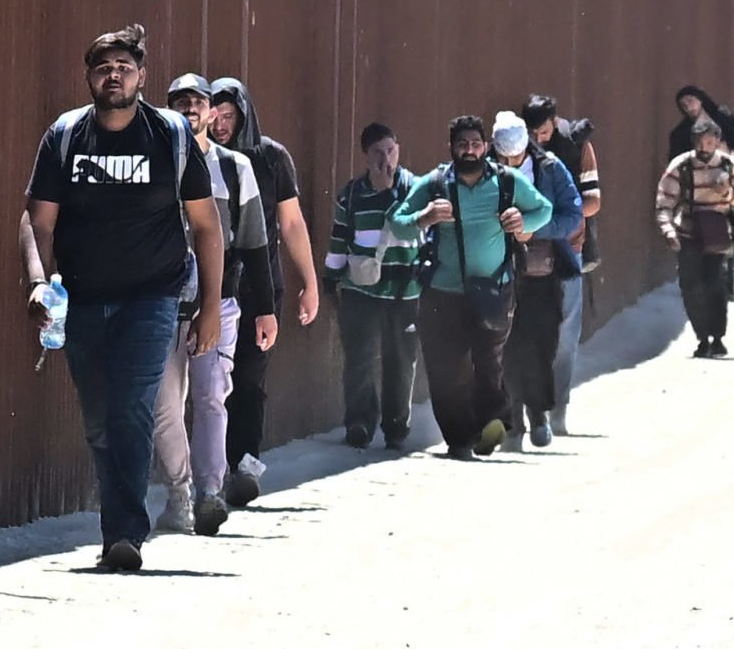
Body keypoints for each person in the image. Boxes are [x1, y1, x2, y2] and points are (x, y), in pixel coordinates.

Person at [25, 25, 223, 572]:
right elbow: (38, 220)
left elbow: (207, 227)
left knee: (132, 409)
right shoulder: (65, 136)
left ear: (141, 76)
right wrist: (40, 280)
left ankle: (123, 532)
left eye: (124, 66)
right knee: (98, 417)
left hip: (151, 298)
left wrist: (210, 308)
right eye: (102, 67)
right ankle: (120, 522)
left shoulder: (171, 135)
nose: (113, 75)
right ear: (90, 77)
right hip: (82, 299)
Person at [150, 74, 277, 536]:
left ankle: (209, 493)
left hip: (218, 303)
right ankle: (179, 492)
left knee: (210, 399)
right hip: (162, 304)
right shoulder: (155, 161)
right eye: (180, 101)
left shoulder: (234, 166)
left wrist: (265, 308)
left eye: (198, 102)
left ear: (211, 111)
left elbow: (254, 242)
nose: (190, 109)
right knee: (165, 407)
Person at [396, 116, 554, 461]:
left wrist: (522, 222)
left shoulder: (507, 182)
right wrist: (424, 217)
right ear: (451, 147)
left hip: (494, 291)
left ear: (487, 146)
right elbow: (398, 222)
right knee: (445, 369)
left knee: (489, 363)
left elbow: (545, 209)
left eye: (476, 144)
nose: (470, 150)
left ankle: (492, 423)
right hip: (442, 293)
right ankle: (459, 439)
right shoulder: (435, 183)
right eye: (462, 144)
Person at [205, 78, 319, 505]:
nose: (220, 125)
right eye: (214, 116)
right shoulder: (201, 158)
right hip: (212, 284)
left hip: (261, 286)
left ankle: (244, 463)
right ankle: (212, 472)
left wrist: (309, 283)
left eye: (229, 116)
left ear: (245, 115)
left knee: (250, 378)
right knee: (213, 381)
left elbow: (291, 223)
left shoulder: (271, 158)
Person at [489, 112, 585, 452]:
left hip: (541, 273)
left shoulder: (550, 168)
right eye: (503, 156)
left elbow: (572, 214)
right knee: (505, 349)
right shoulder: (485, 170)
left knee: (541, 346)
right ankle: (511, 424)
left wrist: (535, 229)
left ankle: (539, 413)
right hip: (499, 273)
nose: (509, 162)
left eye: (515, 156)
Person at [323, 122, 422, 451]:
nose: (386, 159)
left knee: (401, 360)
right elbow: (340, 237)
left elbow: (414, 232)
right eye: (378, 152)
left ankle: (396, 427)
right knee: (360, 358)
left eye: (391, 150)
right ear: (365, 156)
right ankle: (359, 423)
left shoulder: (414, 189)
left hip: (405, 289)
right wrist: (331, 277)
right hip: (361, 290)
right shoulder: (351, 194)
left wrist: (389, 193)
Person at [523, 96, 601, 436]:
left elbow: (593, 201)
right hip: (524, 253)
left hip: (568, 249)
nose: (537, 140)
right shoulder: (517, 149)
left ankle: (558, 408)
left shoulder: (576, 147)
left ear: (554, 122)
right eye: (532, 133)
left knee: (565, 333)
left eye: (542, 131)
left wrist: (556, 218)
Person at [656, 118, 734, 358]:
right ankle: (701, 337)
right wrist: (668, 230)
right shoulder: (681, 166)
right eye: (703, 141)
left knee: (715, 284)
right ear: (695, 142)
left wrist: (727, 193)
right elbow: (664, 202)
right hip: (689, 231)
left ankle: (717, 336)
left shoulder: (729, 165)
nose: (708, 145)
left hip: (718, 232)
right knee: (690, 285)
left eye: (712, 140)